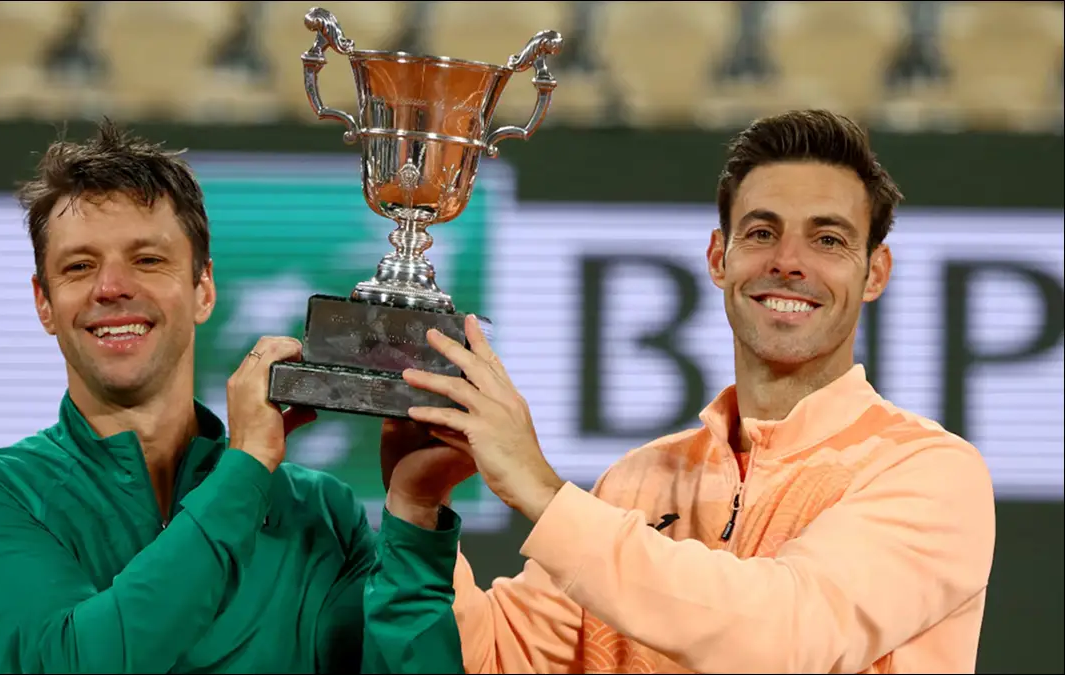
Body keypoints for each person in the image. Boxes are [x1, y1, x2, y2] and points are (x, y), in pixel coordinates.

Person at [379, 110, 998, 673]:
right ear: (718, 257)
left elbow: (786, 638)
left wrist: (542, 492)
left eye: (828, 239)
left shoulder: (929, 473)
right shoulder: (637, 481)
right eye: (761, 232)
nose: (788, 261)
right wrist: (418, 510)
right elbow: (489, 661)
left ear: (876, 273)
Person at [0, 120, 465, 675]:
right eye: (79, 266)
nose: (111, 287)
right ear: (45, 303)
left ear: (203, 288)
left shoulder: (317, 514)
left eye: (148, 259)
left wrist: (415, 514)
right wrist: (246, 468)